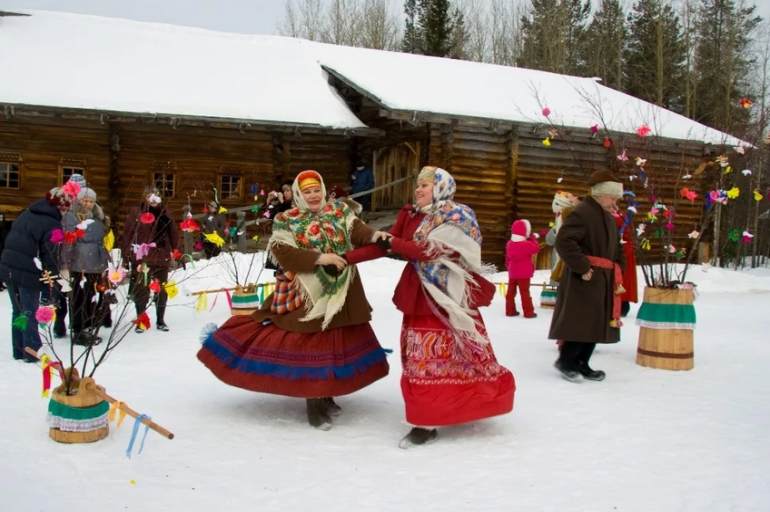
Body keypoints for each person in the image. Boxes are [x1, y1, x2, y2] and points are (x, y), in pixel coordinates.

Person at [197, 170, 390, 430]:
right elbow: (283, 252)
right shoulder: (287, 219)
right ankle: (314, 404)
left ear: (323, 190)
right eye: (307, 191)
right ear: (299, 194)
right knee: (314, 346)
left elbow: (359, 231)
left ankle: (328, 394)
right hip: (306, 292)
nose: (312, 195)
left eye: (316, 190)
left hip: (342, 288)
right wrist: (320, 259)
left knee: (337, 340)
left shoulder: (339, 212)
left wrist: (375, 236)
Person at [345, 166, 515, 448]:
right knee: (421, 361)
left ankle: (458, 408)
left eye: (425, 185)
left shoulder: (458, 216)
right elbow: (384, 246)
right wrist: (345, 258)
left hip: (449, 295)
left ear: (441, 188)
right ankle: (424, 419)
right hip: (419, 293)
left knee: (457, 359)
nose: (418, 190)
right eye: (417, 185)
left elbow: (429, 251)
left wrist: (390, 240)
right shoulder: (410, 214)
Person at [549, 170, 625, 383]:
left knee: (595, 321)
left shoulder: (607, 217)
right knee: (581, 320)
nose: (615, 201)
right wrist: (583, 267)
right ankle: (566, 361)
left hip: (604, 278)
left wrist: (620, 268)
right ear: (600, 194)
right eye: (612, 197)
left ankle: (582, 362)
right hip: (585, 278)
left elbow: (615, 247)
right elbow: (564, 241)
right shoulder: (582, 212)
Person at [0, 186, 75, 361]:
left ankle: (19, 350)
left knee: (18, 311)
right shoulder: (53, 224)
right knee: (30, 312)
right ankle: (32, 352)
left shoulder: (27, 213)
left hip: (9, 268)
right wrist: (52, 281)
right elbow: (51, 256)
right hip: (28, 272)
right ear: (61, 207)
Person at [120, 187, 179, 333]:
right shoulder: (136, 212)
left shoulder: (165, 213)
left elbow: (173, 233)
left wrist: (175, 250)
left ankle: (160, 320)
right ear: (145, 197)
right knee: (141, 290)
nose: (153, 198)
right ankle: (141, 320)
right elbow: (128, 234)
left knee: (161, 289)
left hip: (161, 256)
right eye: (150, 195)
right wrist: (126, 254)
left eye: (157, 195)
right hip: (142, 258)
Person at [60, 187, 110, 345]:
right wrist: (65, 264)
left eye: (91, 201)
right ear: (79, 200)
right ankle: (78, 330)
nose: (88, 204)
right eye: (85, 200)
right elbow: (68, 241)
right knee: (79, 298)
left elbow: (101, 240)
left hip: (95, 263)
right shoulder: (71, 216)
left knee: (91, 296)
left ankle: (88, 326)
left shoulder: (98, 215)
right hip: (79, 263)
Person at [505, 219, 539, 318]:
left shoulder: (509, 244)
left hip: (512, 272)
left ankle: (510, 311)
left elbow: (507, 257)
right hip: (524, 274)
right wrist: (532, 238)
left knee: (510, 293)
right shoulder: (527, 244)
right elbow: (536, 248)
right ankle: (528, 312)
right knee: (524, 293)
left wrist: (508, 266)